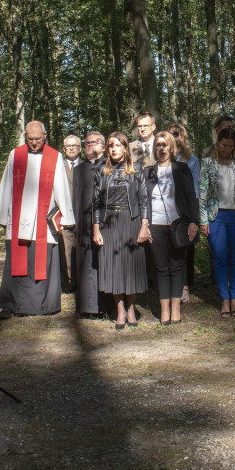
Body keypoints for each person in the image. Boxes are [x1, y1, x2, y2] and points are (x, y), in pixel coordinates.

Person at [0, 121, 74, 318]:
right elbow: (6, 185)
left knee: (42, 261)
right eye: (30, 139)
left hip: (42, 220)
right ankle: (12, 304)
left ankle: (42, 305)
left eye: (38, 139)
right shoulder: (15, 155)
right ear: (25, 137)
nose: (34, 143)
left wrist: (66, 216)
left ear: (45, 135)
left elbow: (61, 187)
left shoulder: (54, 156)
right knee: (17, 262)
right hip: (18, 218)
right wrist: (3, 215)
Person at [93, 132, 150, 329]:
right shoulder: (101, 171)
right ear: (107, 149)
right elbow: (96, 203)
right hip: (109, 224)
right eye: (111, 145)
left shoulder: (137, 169)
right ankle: (119, 309)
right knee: (114, 266)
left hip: (131, 221)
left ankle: (131, 307)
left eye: (118, 145)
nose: (114, 148)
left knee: (130, 266)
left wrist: (144, 225)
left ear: (126, 148)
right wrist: (96, 230)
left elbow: (144, 199)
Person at [144, 132, 199, 325]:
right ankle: (164, 309)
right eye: (158, 145)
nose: (161, 149)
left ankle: (176, 308)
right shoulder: (148, 172)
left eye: (165, 145)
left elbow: (191, 196)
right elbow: (144, 200)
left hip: (178, 225)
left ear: (171, 148)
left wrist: (194, 221)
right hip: (155, 225)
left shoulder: (182, 169)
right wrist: (144, 225)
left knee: (177, 266)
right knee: (160, 268)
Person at [199, 127, 235, 318]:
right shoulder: (207, 163)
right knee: (220, 258)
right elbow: (203, 193)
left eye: (231, 146)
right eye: (224, 145)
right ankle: (224, 300)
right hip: (216, 217)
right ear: (218, 143)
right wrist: (203, 220)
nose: (227, 149)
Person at [72, 131, 108, 317]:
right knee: (85, 264)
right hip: (83, 224)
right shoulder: (79, 170)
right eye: (86, 143)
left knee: (103, 263)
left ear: (103, 145)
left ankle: (105, 305)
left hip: (106, 224)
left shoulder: (110, 167)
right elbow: (75, 199)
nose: (88, 146)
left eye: (93, 142)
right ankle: (87, 306)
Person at [169, 122, 199, 301]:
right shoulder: (162, 157)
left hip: (186, 206)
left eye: (177, 134)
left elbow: (194, 187)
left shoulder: (191, 159)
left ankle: (186, 285)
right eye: (171, 133)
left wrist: (193, 214)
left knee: (186, 245)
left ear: (183, 136)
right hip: (168, 207)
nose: (174, 137)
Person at [59, 134, 83, 293]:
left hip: (83, 214)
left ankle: (82, 280)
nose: (71, 148)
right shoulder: (58, 167)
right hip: (65, 215)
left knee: (81, 249)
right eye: (68, 146)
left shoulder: (87, 166)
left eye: (74, 145)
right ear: (64, 149)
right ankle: (68, 282)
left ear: (80, 148)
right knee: (66, 250)